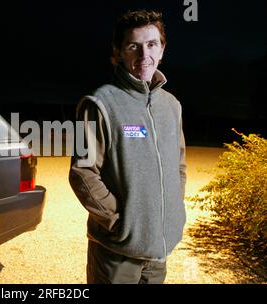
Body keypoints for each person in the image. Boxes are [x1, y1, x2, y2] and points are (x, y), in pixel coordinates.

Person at [69, 10, 187, 284]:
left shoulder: (172, 106)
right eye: (133, 46)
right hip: (117, 253)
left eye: (152, 44)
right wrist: (122, 223)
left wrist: (173, 213)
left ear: (162, 49)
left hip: (158, 252)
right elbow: (83, 174)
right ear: (118, 52)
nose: (144, 55)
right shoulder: (99, 104)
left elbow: (178, 166)